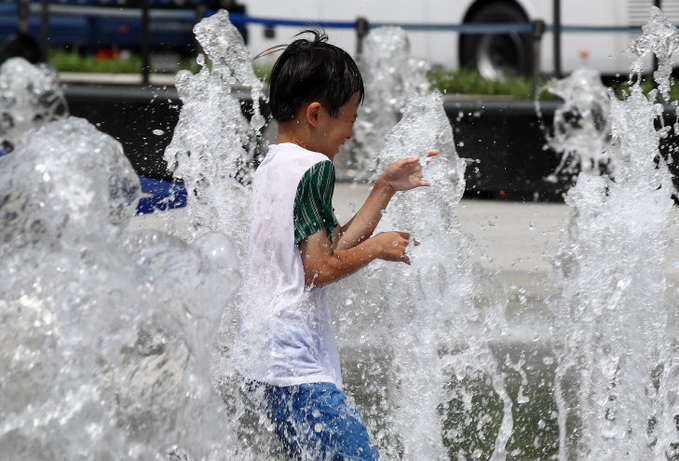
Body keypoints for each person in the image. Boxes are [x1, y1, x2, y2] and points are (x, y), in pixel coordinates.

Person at [233, 30, 438, 460]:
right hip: (297, 366)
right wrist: (380, 247)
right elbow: (319, 270)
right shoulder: (314, 168)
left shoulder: (272, 166)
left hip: (266, 358)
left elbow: (327, 248)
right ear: (316, 114)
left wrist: (384, 188)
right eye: (349, 115)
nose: (352, 130)